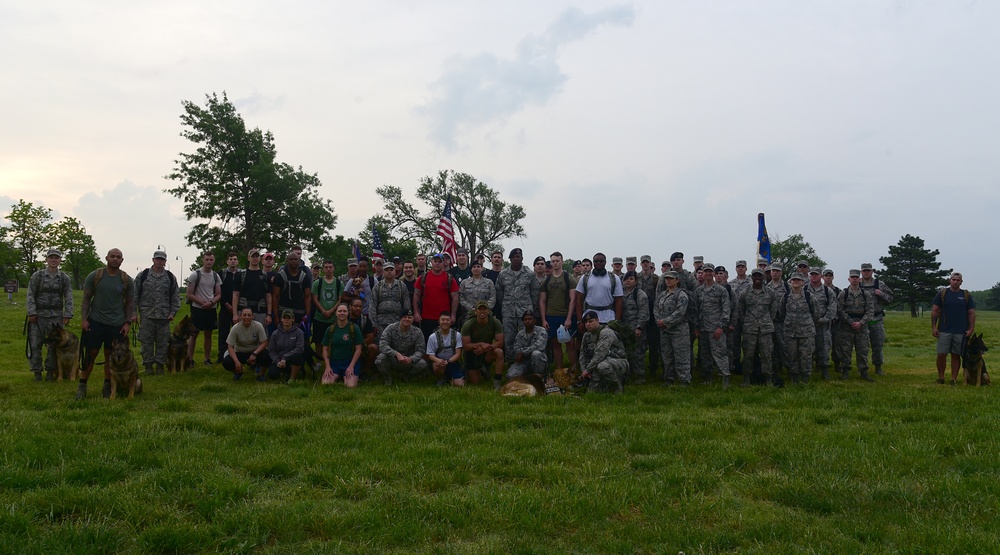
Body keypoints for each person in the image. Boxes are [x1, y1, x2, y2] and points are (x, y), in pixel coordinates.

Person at [77, 249, 136, 399]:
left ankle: (107, 385)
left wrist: (127, 322)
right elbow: (86, 299)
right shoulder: (95, 276)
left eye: (118, 257)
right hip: (95, 322)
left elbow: (130, 303)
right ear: (107, 258)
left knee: (111, 355)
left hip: (117, 324)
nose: (115, 259)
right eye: (112, 256)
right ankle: (82, 385)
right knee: (91, 354)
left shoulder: (126, 279)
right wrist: (84, 320)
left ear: (122, 260)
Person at [26, 248, 73, 382]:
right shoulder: (37, 276)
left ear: (60, 260)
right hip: (38, 316)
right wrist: (31, 312)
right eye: (51, 257)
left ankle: (50, 372)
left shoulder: (64, 278)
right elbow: (30, 294)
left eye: (56, 258)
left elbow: (68, 296)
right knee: (35, 345)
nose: (54, 260)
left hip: (56, 317)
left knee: (53, 346)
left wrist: (68, 314)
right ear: (46, 259)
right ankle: (37, 372)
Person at [135, 250, 180, 375]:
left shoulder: (170, 277)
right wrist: (134, 313)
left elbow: (175, 297)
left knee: (163, 343)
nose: (160, 261)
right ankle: (148, 366)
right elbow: (134, 295)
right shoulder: (143, 275)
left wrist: (172, 313)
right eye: (157, 259)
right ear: (153, 260)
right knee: (146, 342)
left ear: (165, 262)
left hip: (164, 317)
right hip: (147, 315)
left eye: (162, 259)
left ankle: (160, 366)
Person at [931, 272, 976, 385]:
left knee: (956, 355)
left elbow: (971, 313)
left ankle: (953, 379)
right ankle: (941, 377)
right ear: (949, 280)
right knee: (941, 354)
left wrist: (971, 329)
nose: (955, 282)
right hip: (944, 330)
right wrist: (934, 327)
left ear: (961, 282)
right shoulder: (942, 293)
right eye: (953, 280)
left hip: (960, 331)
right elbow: (935, 311)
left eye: (958, 280)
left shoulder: (966, 295)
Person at [495, 248, 539, 359]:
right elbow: (499, 293)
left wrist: (529, 307)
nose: (515, 259)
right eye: (513, 257)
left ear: (522, 258)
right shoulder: (503, 274)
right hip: (508, 312)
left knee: (527, 336)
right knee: (509, 338)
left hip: (525, 312)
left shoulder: (529, 274)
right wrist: (506, 304)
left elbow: (535, 293)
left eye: (517, 257)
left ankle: (528, 360)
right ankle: (510, 361)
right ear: (509, 259)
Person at [738, 268, 777, 386]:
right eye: (755, 276)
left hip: (765, 329)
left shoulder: (770, 292)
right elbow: (741, 311)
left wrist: (766, 320)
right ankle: (746, 378)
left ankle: (768, 379)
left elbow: (773, 311)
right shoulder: (745, 293)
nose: (757, 278)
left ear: (763, 277)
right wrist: (748, 322)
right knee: (748, 354)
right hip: (750, 329)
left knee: (766, 354)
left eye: (759, 276)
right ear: (752, 278)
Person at [540, 251, 578, 372]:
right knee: (555, 344)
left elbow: (573, 299)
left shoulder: (569, 278)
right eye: (553, 261)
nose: (555, 263)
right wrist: (544, 319)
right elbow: (542, 301)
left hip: (565, 315)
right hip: (551, 316)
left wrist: (569, 318)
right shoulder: (546, 281)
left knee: (570, 343)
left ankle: (574, 369)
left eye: (557, 261)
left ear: (562, 261)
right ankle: (559, 369)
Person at [695, 264, 731, 387]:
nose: (708, 274)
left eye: (711, 271)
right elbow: (696, 309)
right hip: (703, 328)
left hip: (716, 328)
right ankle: (708, 377)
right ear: (703, 273)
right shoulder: (699, 290)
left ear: (714, 274)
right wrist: (697, 327)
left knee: (720, 353)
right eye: (706, 271)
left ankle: (725, 377)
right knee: (705, 354)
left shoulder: (721, 290)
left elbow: (726, 310)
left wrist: (721, 327)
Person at [837, 269, 875, 382]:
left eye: (856, 277)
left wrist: (861, 323)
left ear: (860, 279)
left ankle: (863, 372)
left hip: (861, 326)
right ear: (849, 279)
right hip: (846, 326)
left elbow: (870, 311)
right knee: (845, 350)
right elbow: (840, 310)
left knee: (863, 349)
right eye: (852, 277)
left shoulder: (865, 294)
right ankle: (845, 371)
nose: (854, 279)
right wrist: (850, 322)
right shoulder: (844, 293)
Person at [654, 271, 691, 386]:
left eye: (671, 278)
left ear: (677, 280)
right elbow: (656, 308)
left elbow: (680, 312)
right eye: (666, 279)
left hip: (679, 330)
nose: (668, 281)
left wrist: (665, 322)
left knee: (681, 356)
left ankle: (684, 380)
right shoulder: (662, 295)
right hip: (664, 331)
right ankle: (669, 378)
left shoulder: (681, 294)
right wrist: (658, 321)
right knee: (667, 356)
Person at [578, 310, 628, 393]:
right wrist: (584, 370)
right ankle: (605, 384)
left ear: (597, 320)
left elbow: (600, 354)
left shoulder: (606, 333)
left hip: (618, 362)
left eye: (591, 321)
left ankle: (617, 387)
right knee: (592, 392)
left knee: (602, 366)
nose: (588, 324)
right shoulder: (587, 336)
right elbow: (582, 354)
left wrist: (588, 370)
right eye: (586, 322)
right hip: (597, 364)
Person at [187, 251, 222, 366]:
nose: (209, 262)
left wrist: (211, 303)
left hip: (210, 309)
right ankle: (189, 359)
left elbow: (218, 294)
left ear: (214, 261)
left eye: (211, 260)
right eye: (207, 259)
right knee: (193, 334)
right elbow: (189, 294)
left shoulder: (216, 276)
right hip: (197, 308)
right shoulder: (195, 275)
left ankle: (207, 359)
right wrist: (201, 302)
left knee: (208, 334)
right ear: (203, 260)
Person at [859, 262, 894, 375]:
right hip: (862, 320)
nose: (866, 272)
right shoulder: (857, 284)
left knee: (877, 345)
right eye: (864, 271)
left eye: (868, 270)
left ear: (872, 271)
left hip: (876, 318)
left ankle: (878, 368)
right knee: (862, 346)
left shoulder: (879, 284)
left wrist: (881, 294)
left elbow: (890, 298)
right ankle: (863, 368)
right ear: (861, 272)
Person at [414, 253, 459, 339]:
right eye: (435, 261)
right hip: (426, 317)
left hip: (444, 318)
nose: (437, 263)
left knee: (444, 343)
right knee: (427, 343)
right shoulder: (423, 277)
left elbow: (455, 297)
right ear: (431, 262)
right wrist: (416, 312)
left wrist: (453, 315)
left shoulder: (449, 278)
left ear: (443, 263)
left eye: (440, 261)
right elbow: (416, 295)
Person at [376, 309, 428, 385]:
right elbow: (382, 345)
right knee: (380, 359)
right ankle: (387, 378)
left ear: (413, 319)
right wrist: (396, 354)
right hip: (393, 358)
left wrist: (411, 358)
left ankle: (406, 377)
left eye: (409, 317)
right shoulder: (391, 328)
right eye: (405, 317)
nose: (407, 319)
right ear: (400, 318)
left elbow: (420, 350)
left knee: (423, 364)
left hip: (408, 360)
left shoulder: (417, 332)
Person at [781, 273, 816, 384]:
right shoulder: (786, 296)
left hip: (806, 332)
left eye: (798, 280)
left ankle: (805, 377)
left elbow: (815, 313)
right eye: (793, 280)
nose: (795, 281)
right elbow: (782, 313)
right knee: (792, 355)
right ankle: (794, 377)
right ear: (790, 282)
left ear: (803, 282)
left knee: (805, 355)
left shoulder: (809, 296)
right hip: (790, 332)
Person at [461, 300, 506, 388]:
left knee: (499, 352)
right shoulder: (468, 324)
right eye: (480, 309)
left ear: (488, 311)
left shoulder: (495, 322)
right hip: (473, 352)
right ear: (475, 311)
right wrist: (481, 345)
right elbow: (466, 346)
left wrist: (487, 347)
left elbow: (500, 342)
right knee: (475, 383)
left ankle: (497, 382)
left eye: (484, 309)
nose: (482, 311)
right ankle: (479, 369)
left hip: (487, 351)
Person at [572, 253, 623, 327]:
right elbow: (579, 300)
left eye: (601, 261)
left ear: (605, 262)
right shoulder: (585, 278)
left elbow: (618, 301)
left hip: (609, 319)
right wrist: (579, 321)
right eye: (596, 261)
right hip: (589, 318)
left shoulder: (614, 278)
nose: (598, 263)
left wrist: (617, 321)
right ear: (593, 263)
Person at [311, 260, 345, 369]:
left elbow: (340, 300)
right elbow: (314, 299)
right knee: (318, 340)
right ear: (323, 269)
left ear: (333, 268)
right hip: (319, 317)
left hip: (334, 318)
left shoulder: (339, 283)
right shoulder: (317, 283)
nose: (328, 269)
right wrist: (323, 311)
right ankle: (319, 361)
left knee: (333, 341)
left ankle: (332, 361)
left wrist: (331, 311)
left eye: (330, 267)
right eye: (326, 267)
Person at [222, 307, 271, 380]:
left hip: (254, 352)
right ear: (240, 316)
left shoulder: (258, 326)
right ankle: (238, 372)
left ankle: (260, 374)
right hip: (240, 352)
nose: (246, 317)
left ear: (252, 316)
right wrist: (236, 361)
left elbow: (264, 343)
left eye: (249, 315)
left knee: (267, 354)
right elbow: (230, 346)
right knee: (226, 362)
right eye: (244, 315)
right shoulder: (235, 328)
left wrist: (254, 354)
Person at [321, 303, 364, 387]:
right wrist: (327, 367)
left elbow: (359, 349)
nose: (342, 313)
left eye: (344, 311)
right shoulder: (330, 329)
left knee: (350, 386)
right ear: (336, 313)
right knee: (325, 384)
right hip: (334, 363)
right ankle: (339, 375)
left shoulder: (354, 328)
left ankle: (348, 376)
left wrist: (351, 366)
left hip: (350, 362)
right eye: (340, 311)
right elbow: (325, 349)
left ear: (348, 313)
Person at [806, 268, 837, 380]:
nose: (814, 276)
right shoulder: (804, 289)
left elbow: (832, 308)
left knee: (823, 348)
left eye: (816, 274)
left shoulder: (828, 291)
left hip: (823, 325)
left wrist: (823, 320)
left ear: (821, 276)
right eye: (812, 274)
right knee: (807, 349)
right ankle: (807, 372)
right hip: (807, 325)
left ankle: (824, 371)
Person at [621, 270, 649, 384]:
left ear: (636, 281)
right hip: (624, 328)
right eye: (626, 279)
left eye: (631, 279)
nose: (628, 281)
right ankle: (627, 374)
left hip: (636, 328)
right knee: (626, 352)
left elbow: (644, 312)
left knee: (637, 353)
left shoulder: (640, 294)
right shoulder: (620, 293)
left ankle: (640, 376)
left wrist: (639, 327)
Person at [370, 261, 411, 340]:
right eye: (386, 270)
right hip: (381, 323)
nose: (389, 272)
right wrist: (373, 324)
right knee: (382, 344)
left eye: (391, 269)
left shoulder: (401, 286)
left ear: (395, 271)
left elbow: (406, 305)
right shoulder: (377, 286)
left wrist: (406, 321)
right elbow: (372, 305)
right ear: (383, 272)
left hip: (398, 321)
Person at [637, 255, 661, 380]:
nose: (645, 265)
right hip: (639, 312)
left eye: (647, 262)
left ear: (650, 264)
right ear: (640, 264)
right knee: (639, 343)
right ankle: (638, 368)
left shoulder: (656, 278)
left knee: (653, 343)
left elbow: (658, 296)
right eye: (643, 263)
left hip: (652, 312)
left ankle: (653, 367)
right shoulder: (636, 277)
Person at [234, 249, 272, 328]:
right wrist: (235, 314)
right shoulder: (241, 275)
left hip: (261, 311)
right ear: (249, 258)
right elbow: (235, 295)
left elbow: (268, 296)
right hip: (243, 311)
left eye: (257, 256)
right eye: (253, 256)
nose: (255, 258)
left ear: (260, 259)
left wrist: (269, 314)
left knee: (261, 337)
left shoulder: (265, 276)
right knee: (242, 337)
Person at [271, 251, 312, 324]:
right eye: (291, 259)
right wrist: (276, 316)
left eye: (295, 259)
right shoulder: (279, 276)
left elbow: (307, 297)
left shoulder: (305, 277)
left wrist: (307, 315)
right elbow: (275, 296)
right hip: (283, 313)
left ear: (299, 261)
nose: (293, 261)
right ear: (287, 260)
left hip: (300, 314)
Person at [426, 312, 465, 386]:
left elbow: (458, 353)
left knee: (460, 385)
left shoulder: (457, 335)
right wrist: (438, 360)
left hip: (452, 362)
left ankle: (449, 379)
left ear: (451, 321)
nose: (445, 322)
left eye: (447, 320)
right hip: (439, 363)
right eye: (443, 320)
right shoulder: (432, 337)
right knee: (438, 366)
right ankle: (440, 379)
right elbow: (430, 355)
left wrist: (448, 361)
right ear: (439, 321)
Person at [268, 308, 306, 382]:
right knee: (272, 375)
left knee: (297, 357)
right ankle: (283, 372)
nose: (287, 320)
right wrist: (277, 361)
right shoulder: (275, 333)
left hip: (292, 359)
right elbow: (271, 351)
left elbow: (300, 348)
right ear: (281, 319)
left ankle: (292, 378)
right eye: (284, 318)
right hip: (279, 360)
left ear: (293, 319)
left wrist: (285, 357)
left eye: (289, 318)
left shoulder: (299, 332)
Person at [507, 311, 548, 378]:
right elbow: (516, 349)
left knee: (536, 353)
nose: (527, 321)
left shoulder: (541, 331)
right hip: (523, 361)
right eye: (525, 319)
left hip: (538, 360)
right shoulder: (520, 334)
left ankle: (539, 377)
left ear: (534, 320)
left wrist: (523, 352)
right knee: (510, 376)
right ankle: (526, 379)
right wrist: (523, 353)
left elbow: (539, 346)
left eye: (530, 319)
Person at [218, 251, 242, 362]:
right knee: (223, 332)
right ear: (227, 261)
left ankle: (238, 353)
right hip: (225, 307)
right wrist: (226, 304)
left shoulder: (241, 274)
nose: (233, 261)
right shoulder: (221, 274)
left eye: (235, 259)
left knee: (238, 332)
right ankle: (221, 354)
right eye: (231, 259)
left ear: (238, 261)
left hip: (238, 308)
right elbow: (219, 291)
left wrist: (236, 308)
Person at [458, 260, 496, 327]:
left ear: (482, 268)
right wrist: (471, 308)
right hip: (469, 315)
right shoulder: (464, 283)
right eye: (474, 267)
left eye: (478, 267)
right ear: (471, 269)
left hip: (485, 315)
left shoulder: (489, 282)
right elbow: (461, 297)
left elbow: (492, 297)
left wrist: (485, 309)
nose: (476, 268)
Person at [347, 298, 377, 375]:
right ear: (350, 307)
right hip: (345, 345)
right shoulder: (344, 318)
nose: (358, 308)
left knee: (374, 347)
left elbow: (370, 337)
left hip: (361, 345)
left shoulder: (365, 320)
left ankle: (364, 371)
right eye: (355, 306)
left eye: (360, 306)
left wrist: (358, 345)